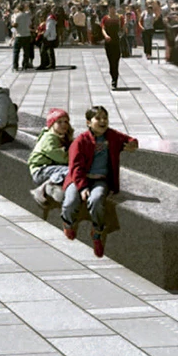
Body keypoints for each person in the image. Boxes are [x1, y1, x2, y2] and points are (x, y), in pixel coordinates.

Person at [62, 106, 139, 258]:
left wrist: (133, 144)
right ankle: (68, 223)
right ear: (88, 122)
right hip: (79, 178)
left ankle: (97, 232)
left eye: (105, 118)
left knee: (96, 200)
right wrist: (82, 187)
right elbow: (76, 167)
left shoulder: (112, 136)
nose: (103, 121)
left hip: (100, 180)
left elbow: (129, 139)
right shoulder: (80, 141)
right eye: (98, 118)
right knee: (70, 201)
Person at [27, 109, 73, 212]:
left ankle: (54, 188)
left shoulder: (59, 136)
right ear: (52, 124)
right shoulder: (49, 138)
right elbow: (62, 158)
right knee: (70, 170)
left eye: (66, 122)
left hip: (49, 168)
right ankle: (41, 189)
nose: (64, 124)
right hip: (40, 170)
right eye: (59, 122)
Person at [99, 1, 124, 90]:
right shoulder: (105, 18)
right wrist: (106, 36)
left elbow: (123, 28)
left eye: (114, 8)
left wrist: (123, 33)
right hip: (108, 42)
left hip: (117, 41)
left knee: (116, 60)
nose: (112, 10)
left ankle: (115, 79)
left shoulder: (120, 18)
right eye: (111, 8)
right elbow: (103, 28)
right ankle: (112, 75)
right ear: (108, 9)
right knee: (110, 61)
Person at [11, 2, 34, 72]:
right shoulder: (27, 16)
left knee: (16, 51)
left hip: (19, 35)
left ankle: (15, 66)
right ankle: (25, 65)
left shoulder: (17, 16)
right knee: (26, 51)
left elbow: (15, 25)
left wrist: (12, 26)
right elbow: (30, 25)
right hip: (27, 35)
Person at [40, 4, 60, 71]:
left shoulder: (50, 18)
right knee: (50, 50)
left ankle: (44, 64)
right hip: (52, 36)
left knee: (43, 50)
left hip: (49, 36)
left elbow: (48, 29)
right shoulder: (51, 17)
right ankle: (51, 64)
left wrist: (44, 35)